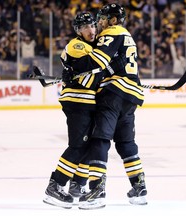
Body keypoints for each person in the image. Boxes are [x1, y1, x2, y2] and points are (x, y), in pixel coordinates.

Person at [43, 11, 125, 209]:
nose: (91, 30)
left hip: (87, 102)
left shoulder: (92, 46)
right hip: (77, 100)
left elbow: (97, 68)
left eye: (93, 26)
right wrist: (112, 67)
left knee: (87, 147)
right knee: (78, 146)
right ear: (78, 31)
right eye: (86, 27)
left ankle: (76, 185)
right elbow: (90, 67)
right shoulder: (77, 45)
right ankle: (55, 185)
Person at [70, 3, 147, 209]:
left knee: (100, 139)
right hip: (131, 94)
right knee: (125, 142)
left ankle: (96, 190)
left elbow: (97, 61)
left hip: (113, 93)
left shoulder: (112, 33)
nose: (99, 23)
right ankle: (139, 187)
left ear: (113, 20)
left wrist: (73, 69)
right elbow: (115, 64)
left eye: (103, 19)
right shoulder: (127, 35)